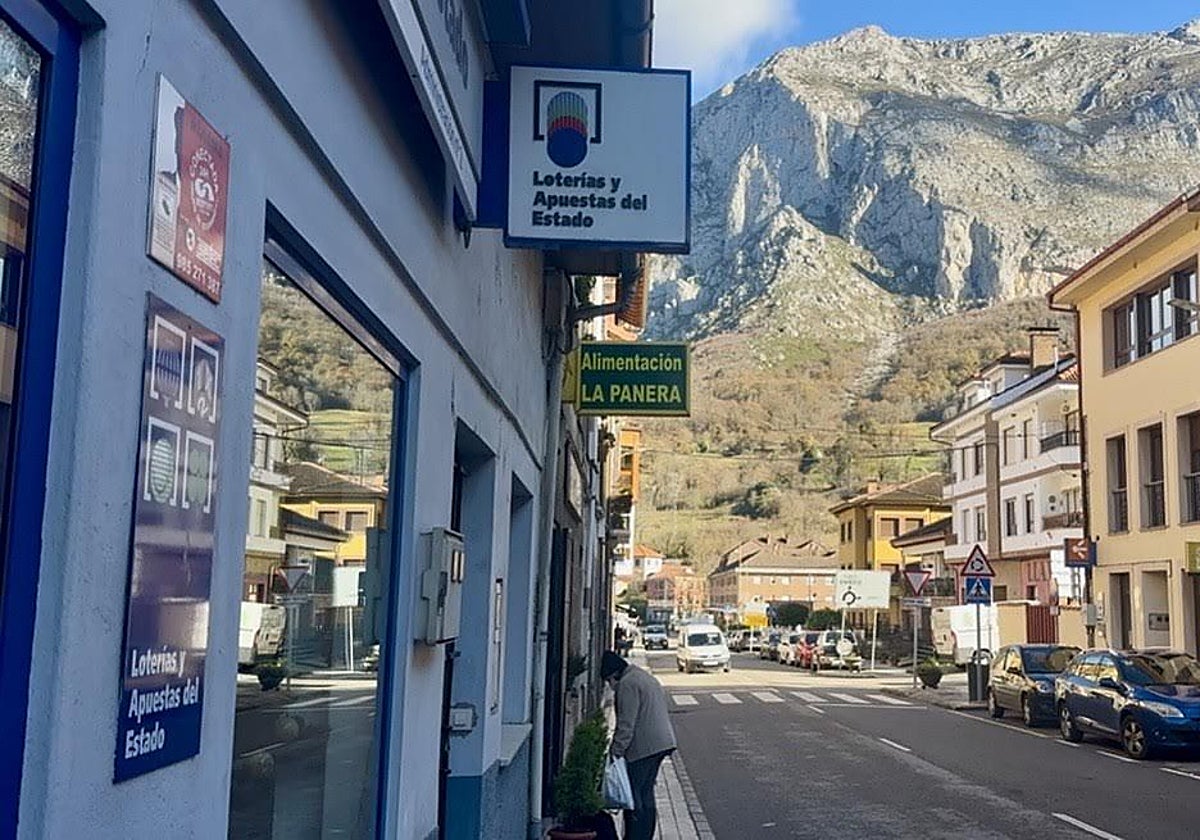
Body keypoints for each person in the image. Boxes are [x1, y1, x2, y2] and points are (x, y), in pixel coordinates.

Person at [601, 650, 676, 840]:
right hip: (662, 742)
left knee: (632, 794)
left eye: (609, 681)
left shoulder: (627, 684)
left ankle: (636, 836)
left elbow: (626, 725)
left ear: (614, 674)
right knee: (646, 791)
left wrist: (615, 753)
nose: (610, 686)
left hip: (644, 747)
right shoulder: (642, 676)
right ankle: (645, 834)